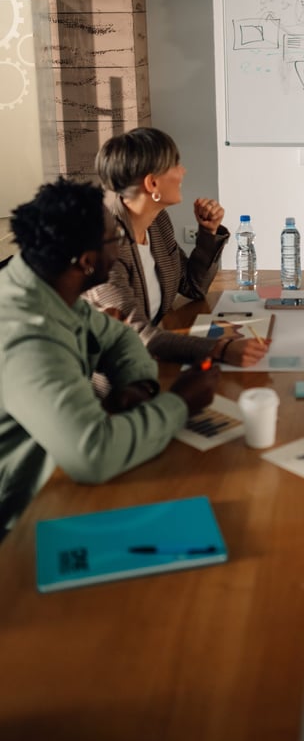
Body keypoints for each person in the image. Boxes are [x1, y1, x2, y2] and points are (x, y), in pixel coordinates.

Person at [0, 177, 220, 536]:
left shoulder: (44, 282)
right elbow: (94, 454)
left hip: (59, 477)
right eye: (114, 239)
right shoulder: (28, 337)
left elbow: (118, 338)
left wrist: (136, 384)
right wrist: (181, 401)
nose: (121, 247)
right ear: (87, 261)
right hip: (24, 520)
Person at [87, 127, 268, 366]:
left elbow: (193, 286)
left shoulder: (157, 222)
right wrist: (220, 348)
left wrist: (208, 231)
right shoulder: (105, 246)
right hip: (122, 376)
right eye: (176, 165)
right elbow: (136, 334)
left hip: (161, 354)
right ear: (152, 183)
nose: (183, 171)